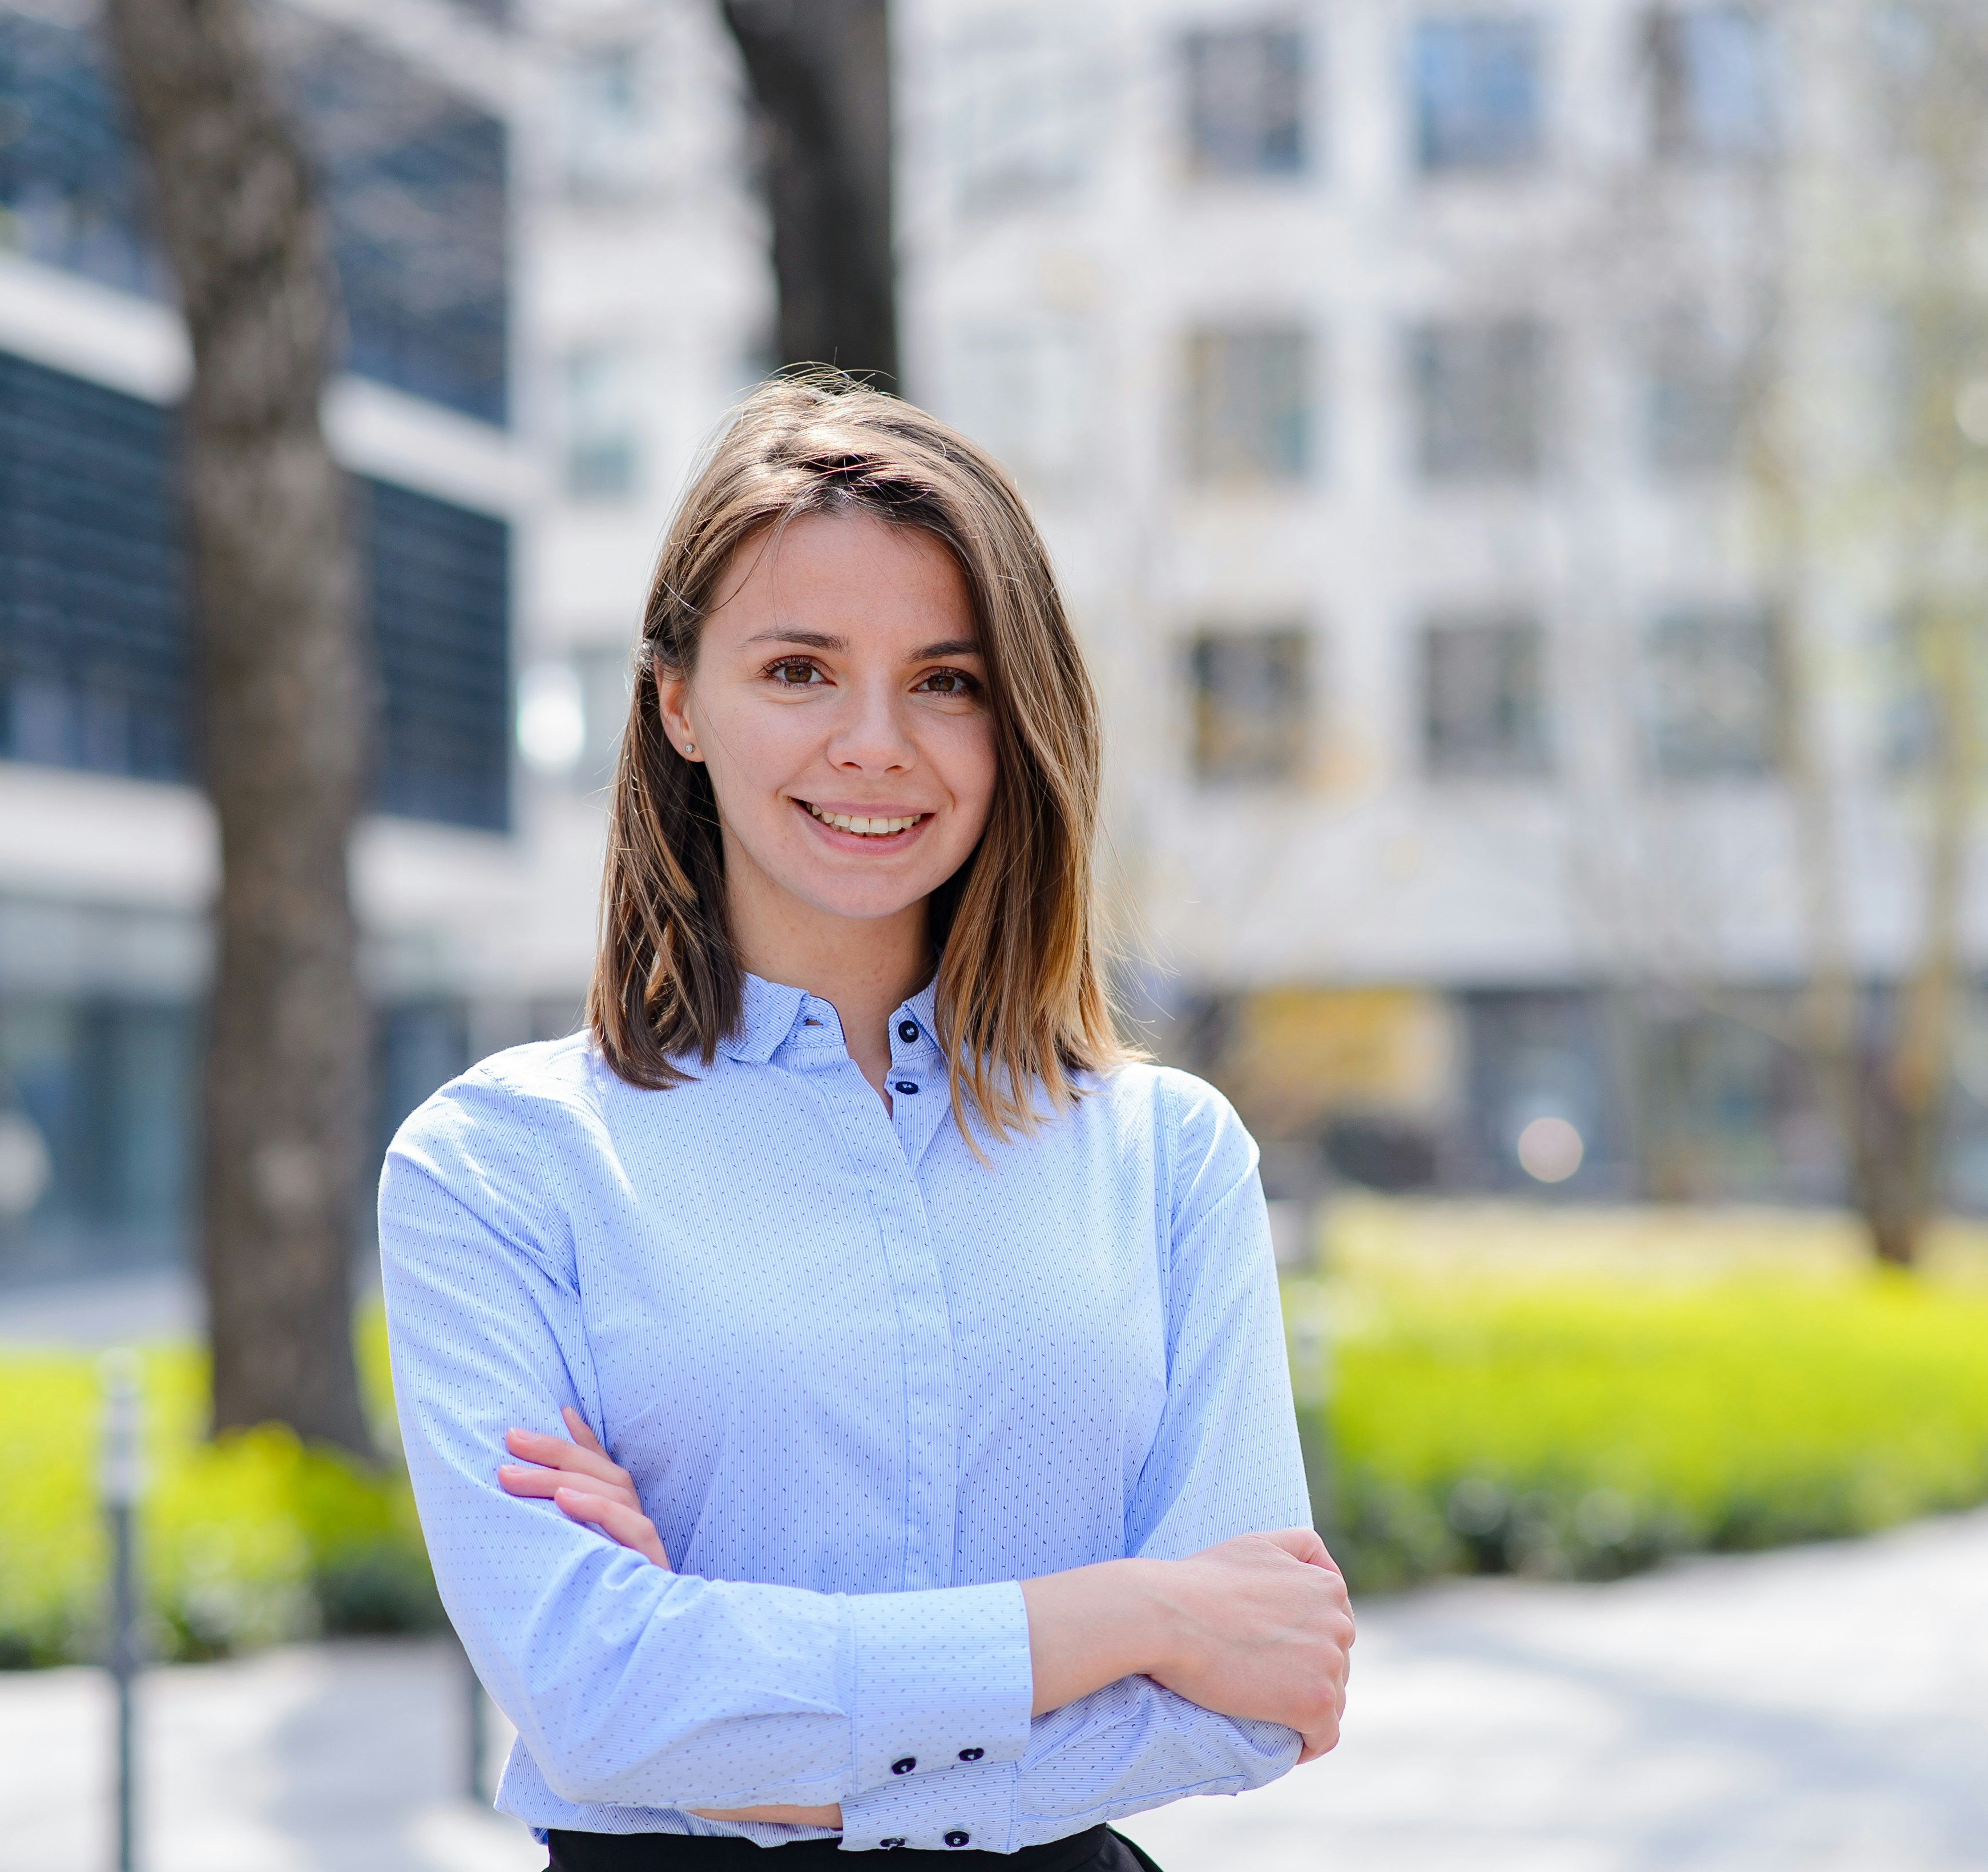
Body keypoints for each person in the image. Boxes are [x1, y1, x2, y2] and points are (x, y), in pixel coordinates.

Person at [378, 375, 1354, 1869]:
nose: (874, 743)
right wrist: (1133, 1618)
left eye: (947, 681)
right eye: (799, 671)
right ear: (678, 702)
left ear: (1015, 719)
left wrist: (735, 1723)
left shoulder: (1169, 1159)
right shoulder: (498, 1170)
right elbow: (596, 1701)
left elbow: (1259, 1697)